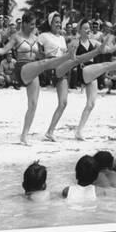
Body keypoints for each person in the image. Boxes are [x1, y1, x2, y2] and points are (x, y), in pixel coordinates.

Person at [0, 12, 80, 145]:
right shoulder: (16, 36)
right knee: (43, 64)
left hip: (34, 69)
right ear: (25, 23)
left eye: (35, 24)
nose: (34, 27)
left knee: (33, 104)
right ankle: (69, 56)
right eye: (32, 24)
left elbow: (42, 54)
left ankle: (24, 136)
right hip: (22, 67)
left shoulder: (36, 38)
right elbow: (3, 51)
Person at [57, 19, 116, 140]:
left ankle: (79, 131)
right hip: (83, 71)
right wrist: (108, 37)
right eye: (85, 28)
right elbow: (71, 58)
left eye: (88, 28)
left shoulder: (93, 42)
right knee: (106, 65)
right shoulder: (75, 42)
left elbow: (108, 50)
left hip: (92, 72)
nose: (88, 30)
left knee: (91, 104)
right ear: (79, 30)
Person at [39, 12, 70, 142]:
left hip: (63, 66)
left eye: (59, 22)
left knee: (63, 103)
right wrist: (45, 61)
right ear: (50, 23)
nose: (58, 24)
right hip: (52, 66)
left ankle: (50, 131)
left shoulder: (62, 38)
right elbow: (38, 52)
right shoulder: (43, 36)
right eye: (55, 22)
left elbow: (65, 52)